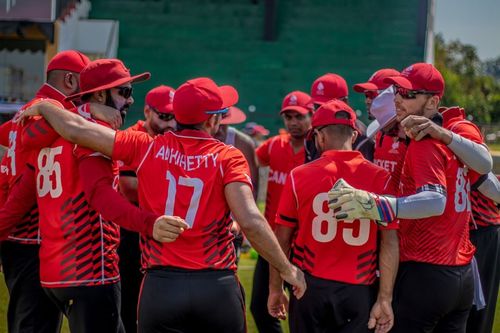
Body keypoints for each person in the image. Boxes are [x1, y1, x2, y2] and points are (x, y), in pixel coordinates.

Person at [21, 77, 307, 333]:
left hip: (161, 287)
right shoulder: (228, 157)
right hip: (215, 286)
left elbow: (74, 130)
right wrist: (286, 268)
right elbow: (250, 221)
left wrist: (47, 106)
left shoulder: (146, 147)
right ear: (211, 121)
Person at [0, 58, 180, 333]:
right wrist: (149, 223)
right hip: (91, 271)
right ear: (98, 93)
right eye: (124, 92)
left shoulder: (47, 130)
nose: (130, 101)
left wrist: (68, 109)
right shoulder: (92, 133)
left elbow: (24, 179)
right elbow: (100, 196)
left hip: (53, 273)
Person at [329, 63, 476, 333]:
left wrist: (374, 205)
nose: (397, 98)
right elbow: (486, 171)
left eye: (407, 94)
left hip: (427, 270)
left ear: (432, 101)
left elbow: (435, 200)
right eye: (396, 91)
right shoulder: (451, 137)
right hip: (460, 272)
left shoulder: (426, 142)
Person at [268, 99, 399, 333]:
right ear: (355, 135)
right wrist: (385, 298)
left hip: (308, 286)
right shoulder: (382, 178)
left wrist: (275, 289)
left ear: (319, 136)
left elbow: (282, 239)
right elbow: (389, 242)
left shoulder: (299, 176)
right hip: (359, 288)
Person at [0, 50, 90, 333]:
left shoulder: (31, 109)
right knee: (34, 325)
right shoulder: (50, 112)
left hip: (21, 239)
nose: (90, 94)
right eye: (86, 85)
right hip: (32, 240)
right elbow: (26, 188)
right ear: (69, 80)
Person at [400, 107, 499, 333]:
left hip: (473, 234)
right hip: (443, 247)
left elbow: (485, 174)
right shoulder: (392, 131)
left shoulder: (457, 128)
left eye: (406, 93)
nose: (398, 99)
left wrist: (380, 206)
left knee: (476, 320)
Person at [117, 84, 177, 333]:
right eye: (163, 116)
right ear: (147, 111)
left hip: (161, 228)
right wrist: (170, 189)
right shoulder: (132, 136)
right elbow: (128, 186)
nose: (170, 124)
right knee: (131, 302)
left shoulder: (171, 138)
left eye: (175, 117)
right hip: (133, 229)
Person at [253, 90, 312, 333]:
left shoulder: (316, 150)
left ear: (312, 115)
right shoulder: (274, 146)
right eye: (288, 117)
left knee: (303, 312)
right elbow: (252, 160)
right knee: (260, 307)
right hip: (272, 242)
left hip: (304, 245)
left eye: (299, 116)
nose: (293, 123)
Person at [215, 106, 259, 264]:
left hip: (232, 227)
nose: (219, 128)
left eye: (224, 123)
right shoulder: (195, 139)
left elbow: (251, 189)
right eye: (216, 121)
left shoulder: (243, 143)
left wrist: (242, 225)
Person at [307, 72, 375, 162]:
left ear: (345, 102)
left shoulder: (363, 138)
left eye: (327, 106)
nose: (321, 111)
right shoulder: (311, 135)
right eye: (317, 107)